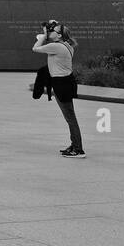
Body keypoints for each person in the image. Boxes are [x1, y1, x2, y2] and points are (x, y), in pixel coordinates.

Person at [33, 20, 83, 157]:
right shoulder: (67, 45)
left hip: (62, 84)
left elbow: (35, 48)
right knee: (70, 117)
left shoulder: (57, 47)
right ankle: (74, 145)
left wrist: (42, 37)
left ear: (59, 35)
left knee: (70, 118)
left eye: (53, 31)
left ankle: (78, 149)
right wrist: (51, 27)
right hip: (66, 83)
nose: (50, 32)